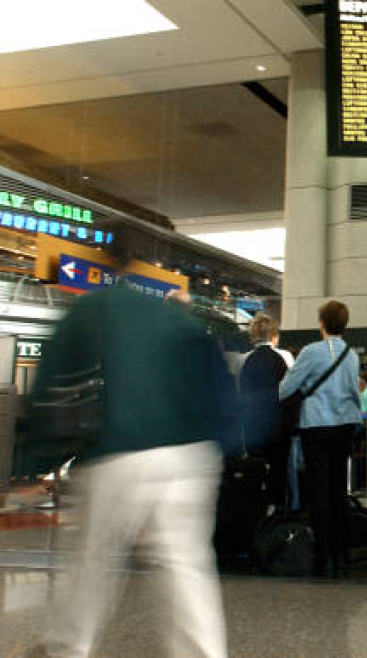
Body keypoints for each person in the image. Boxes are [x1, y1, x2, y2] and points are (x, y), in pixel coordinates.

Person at [35, 259, 234, 657]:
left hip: (120, 451)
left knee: (92, 559)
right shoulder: (179, 321)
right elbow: (222, 388)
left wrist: (37, 456)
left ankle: (67, 648)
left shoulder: (92, 307)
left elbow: (51, 382)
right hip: (193, 455)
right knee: (186, 565)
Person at [279, 301, 363, 577]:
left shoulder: (311, 352)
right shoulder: (351, 355)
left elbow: (285, 389)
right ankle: (341, 550)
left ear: (321, 322)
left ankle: (322, 553)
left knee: (319, 487)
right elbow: (355, 392)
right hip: (346, 423)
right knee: (338, 486)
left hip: (316, 424)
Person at [239, 313, 295, 507]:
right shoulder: (285, 357)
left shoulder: (243, 360)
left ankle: (256, 510)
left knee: (256, 471)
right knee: (279, 472)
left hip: (252, 427)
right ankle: (278, 511)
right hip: (279, 426)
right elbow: (291, 389)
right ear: (274, 335)